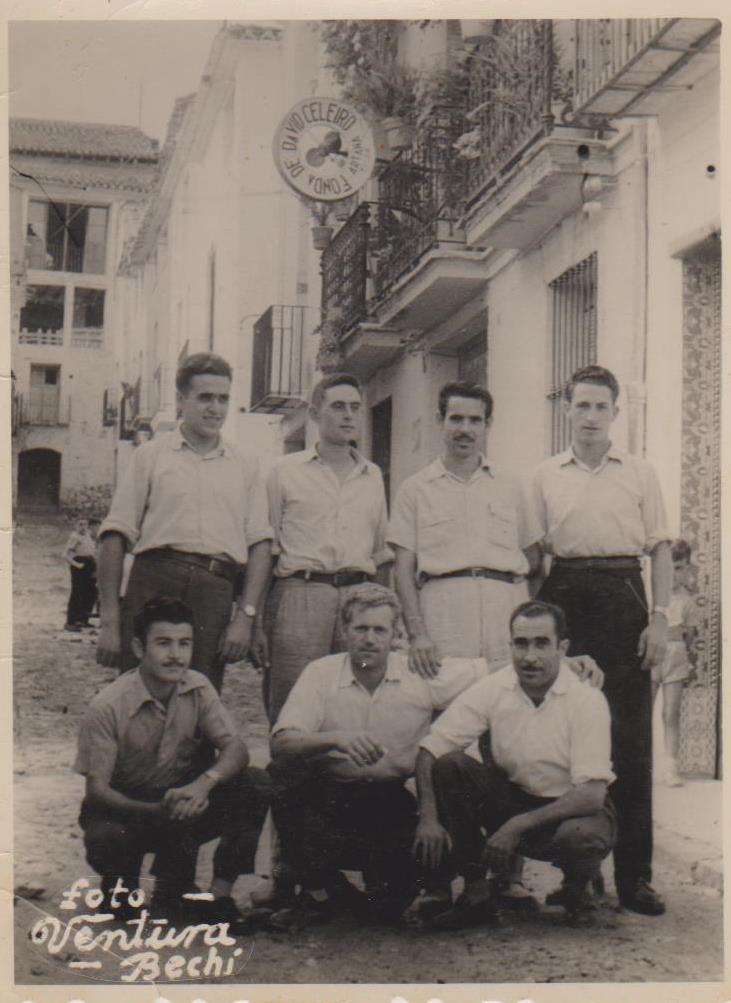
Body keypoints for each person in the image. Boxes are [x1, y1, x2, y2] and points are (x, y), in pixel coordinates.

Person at [532, 364, 672, 916]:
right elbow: (532, 558)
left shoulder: (640, 474)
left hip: (622, 594)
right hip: (564, 593)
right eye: (581, 405)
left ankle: (635, 877)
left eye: (600, 407)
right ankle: (578, 877)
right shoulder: (544, 476)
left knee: (630, 745)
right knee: (564, 740)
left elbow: (659, 548)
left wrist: (659, 618)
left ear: (616, 414)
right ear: (567, 410)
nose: (590, 416)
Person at [267, 584, 489, 929]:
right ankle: (318, 893)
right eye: (360, 629)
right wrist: (335, 739)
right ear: (344, 632)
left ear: (395, 635)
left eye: (379, 630)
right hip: (332, 797)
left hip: (391, 801)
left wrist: (567, 663)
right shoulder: (321, 673)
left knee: (385, 914)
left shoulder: (419, 672)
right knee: (283, 773)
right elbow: (281, 742)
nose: (369, 639)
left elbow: (493, 670)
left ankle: (366, 893)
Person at [415, 600, 616, 929]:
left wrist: (516, 826)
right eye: (521, 644)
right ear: (510, 645)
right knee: (451, 766)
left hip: (569, 810)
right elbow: (430, 749)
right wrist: (428, 816)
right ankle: (476, 893)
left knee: (581, 836)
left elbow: (591, 794)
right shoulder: (496, 686)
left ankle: (576, 887)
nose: (530, 657)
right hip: (512, 800)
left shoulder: (586, 698)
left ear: (562, 648)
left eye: (541, 643)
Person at [75, 597, 271, 924]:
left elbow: (236, 747)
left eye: (185, 644)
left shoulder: (198, 687)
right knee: (117, 893)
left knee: (255, 783)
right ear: (139, 648)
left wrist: (202, 786)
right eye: (163, 643)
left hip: (181, 803)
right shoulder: (109, 705)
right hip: (128, 810)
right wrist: (153, 811)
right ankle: (121, 886)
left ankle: (216, 894)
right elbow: (98, 790)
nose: (175, 655)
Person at [96, 352, 272, 691]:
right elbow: (114, 536)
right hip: (154, 581)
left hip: (214, 589)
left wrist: (245, 617)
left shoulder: (246, 463)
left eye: (223, 399)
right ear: (181, 400)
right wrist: (109, 621)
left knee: (200, 700)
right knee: (138, 696)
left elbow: (260, 545)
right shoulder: (151, 455)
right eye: (205, 397)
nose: (215, 408)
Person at [253, 372, 391, 723]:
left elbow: (380, 551)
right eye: (338, 407)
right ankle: (290, 774)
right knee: (293, 694)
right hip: (301, 596)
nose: (349, 416)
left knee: (357, 686)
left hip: (358, 600)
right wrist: (256, 622)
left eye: (355, 408)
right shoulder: (283, 472)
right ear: (315, 414)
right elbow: (266, 548)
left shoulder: (372, 475)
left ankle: (347, 773)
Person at [388, 381, 541, 677]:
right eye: (456, 418)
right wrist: (417, 633)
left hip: (504, 615)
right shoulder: (415, 489)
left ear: (488, 425)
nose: (465, 429)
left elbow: (534, 561)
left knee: (507, 702)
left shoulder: (510, 487)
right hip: (444, 619)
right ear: (439, 420)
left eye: (475, 420)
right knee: (446, 704)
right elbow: (402, 571)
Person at [652, 539, 700, 787]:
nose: (673, 575)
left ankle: (670, 767)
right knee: (643, 712)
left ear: (687, 569)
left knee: (671, 713)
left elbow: (690, 635)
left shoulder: (687, 601)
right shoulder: (652, 600)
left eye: (679, 568)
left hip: (676, 657)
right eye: (669, 568)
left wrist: (684, 648)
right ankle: (643, 765)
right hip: (651, 659)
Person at [63, 516, 100, 631]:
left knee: (91, 592)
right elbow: (65, 555)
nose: (83, 527)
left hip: (90, 564)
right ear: (75, 525)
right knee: (77, 592)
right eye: (80, 524)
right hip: (79, 564)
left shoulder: (88, 536)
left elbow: (92, 551)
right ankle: (71, 622)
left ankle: (83, 619)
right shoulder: (74, 537)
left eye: (85, 524)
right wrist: (77, 565)